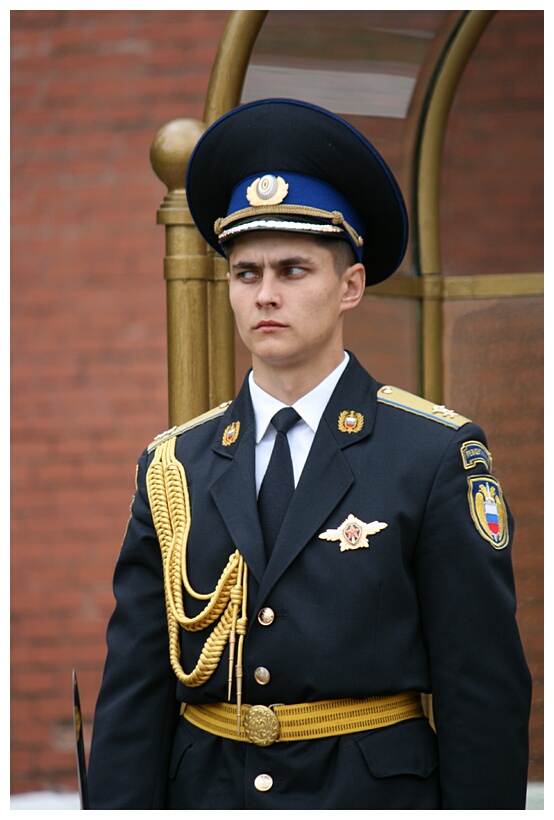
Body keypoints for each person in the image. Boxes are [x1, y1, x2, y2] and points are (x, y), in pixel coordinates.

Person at [87, 98, 531, 809]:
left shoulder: (433, 453)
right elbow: (133, 698)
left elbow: (483, 695)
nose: (265, 295)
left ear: (350, 285)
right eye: (245, 273)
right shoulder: (175, 466)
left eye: (293, 270)